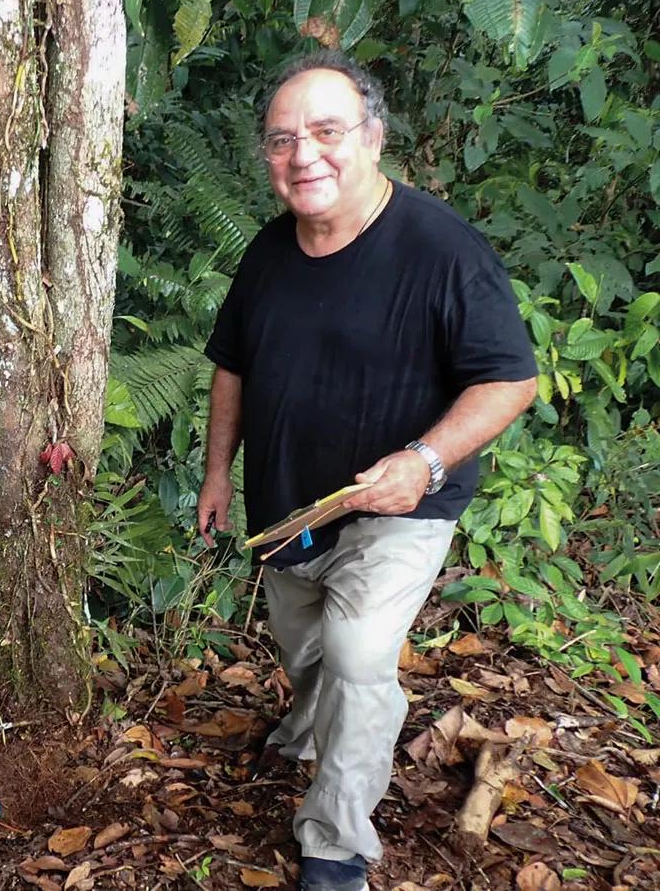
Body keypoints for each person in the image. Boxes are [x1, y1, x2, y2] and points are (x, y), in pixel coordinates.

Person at [197, 52, 537, 891]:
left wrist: (424, 461)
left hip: (401, 504)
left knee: (355, 653)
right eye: (282, 140)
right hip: (290, 504)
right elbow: (232, 367)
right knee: (307, 645)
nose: (303, 154)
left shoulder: (442, 249)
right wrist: (216, 474)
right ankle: (314, 725)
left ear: (374, 138)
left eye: (326, 131)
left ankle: (337, 840)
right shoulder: (270, 253)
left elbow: (510, 379)